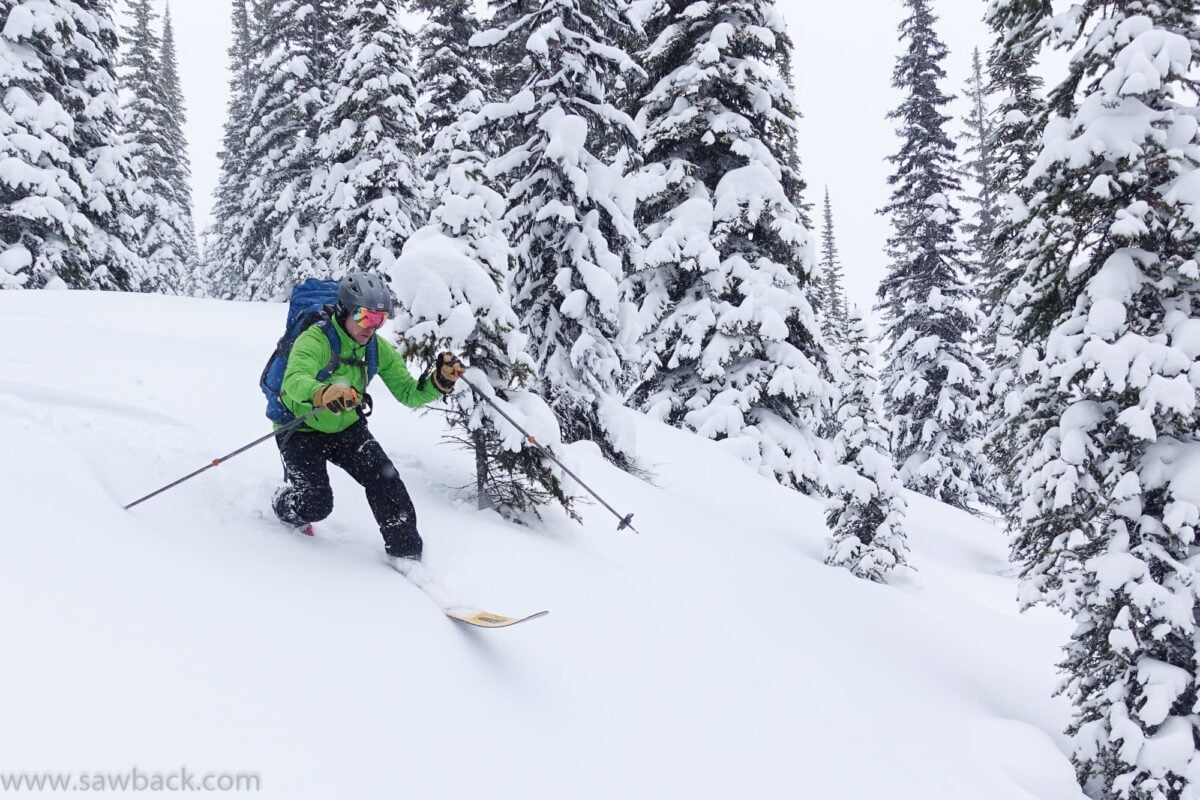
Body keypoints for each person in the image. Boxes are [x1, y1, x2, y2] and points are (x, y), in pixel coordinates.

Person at [271, 271, 466, 565]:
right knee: (317, 503)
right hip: (300, 429)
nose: (371, 327)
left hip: (347, 427)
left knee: (386, 481)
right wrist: (322, 393)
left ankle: (406, 553)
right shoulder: (316, 339)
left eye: (379, 319)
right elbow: (294, 380)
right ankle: (283, 502)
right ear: (345, 310)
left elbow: (408, 393)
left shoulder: (376, 349)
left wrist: (439, 382)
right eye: (364, 317)